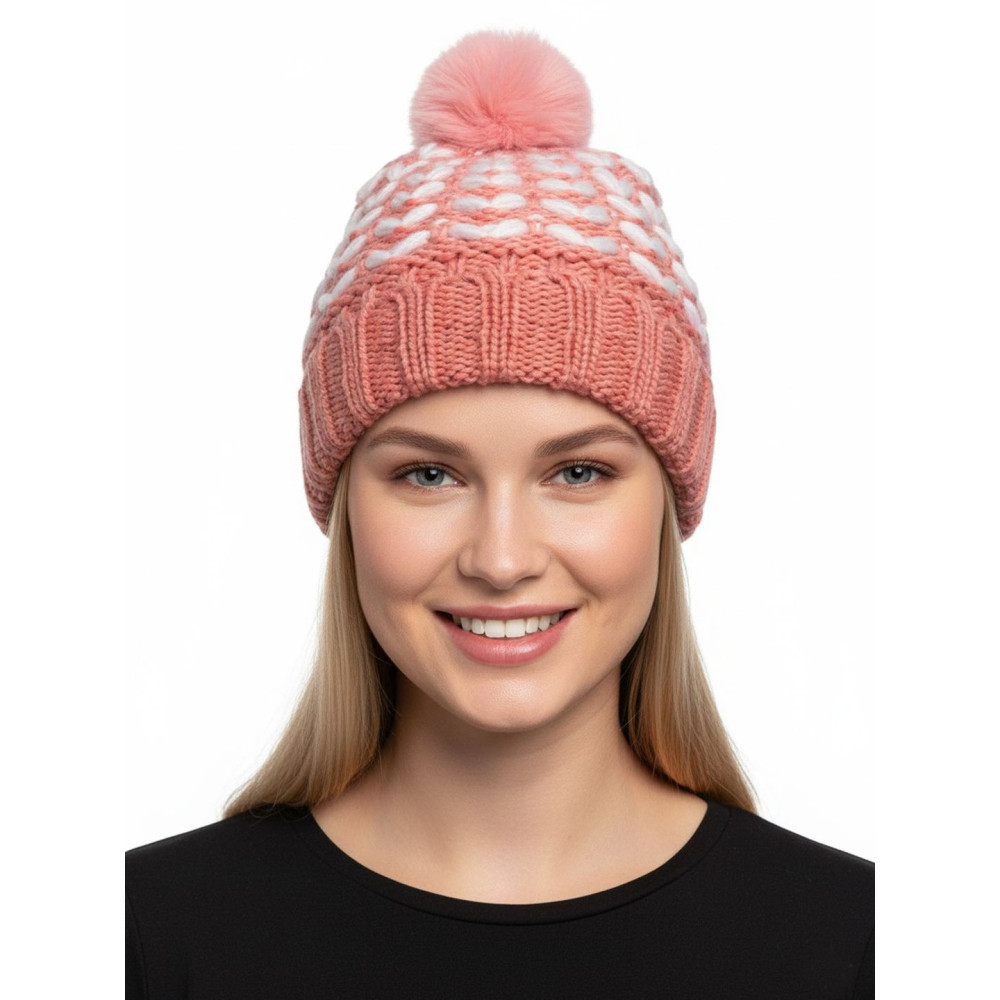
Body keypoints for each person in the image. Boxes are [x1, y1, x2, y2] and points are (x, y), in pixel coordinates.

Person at [126, 29, 874, 999]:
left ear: (667, 499)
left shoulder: (861, 947)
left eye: (578, 473)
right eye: (430, 475)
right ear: (345, 506)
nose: (503, 557)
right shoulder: (142, 938)